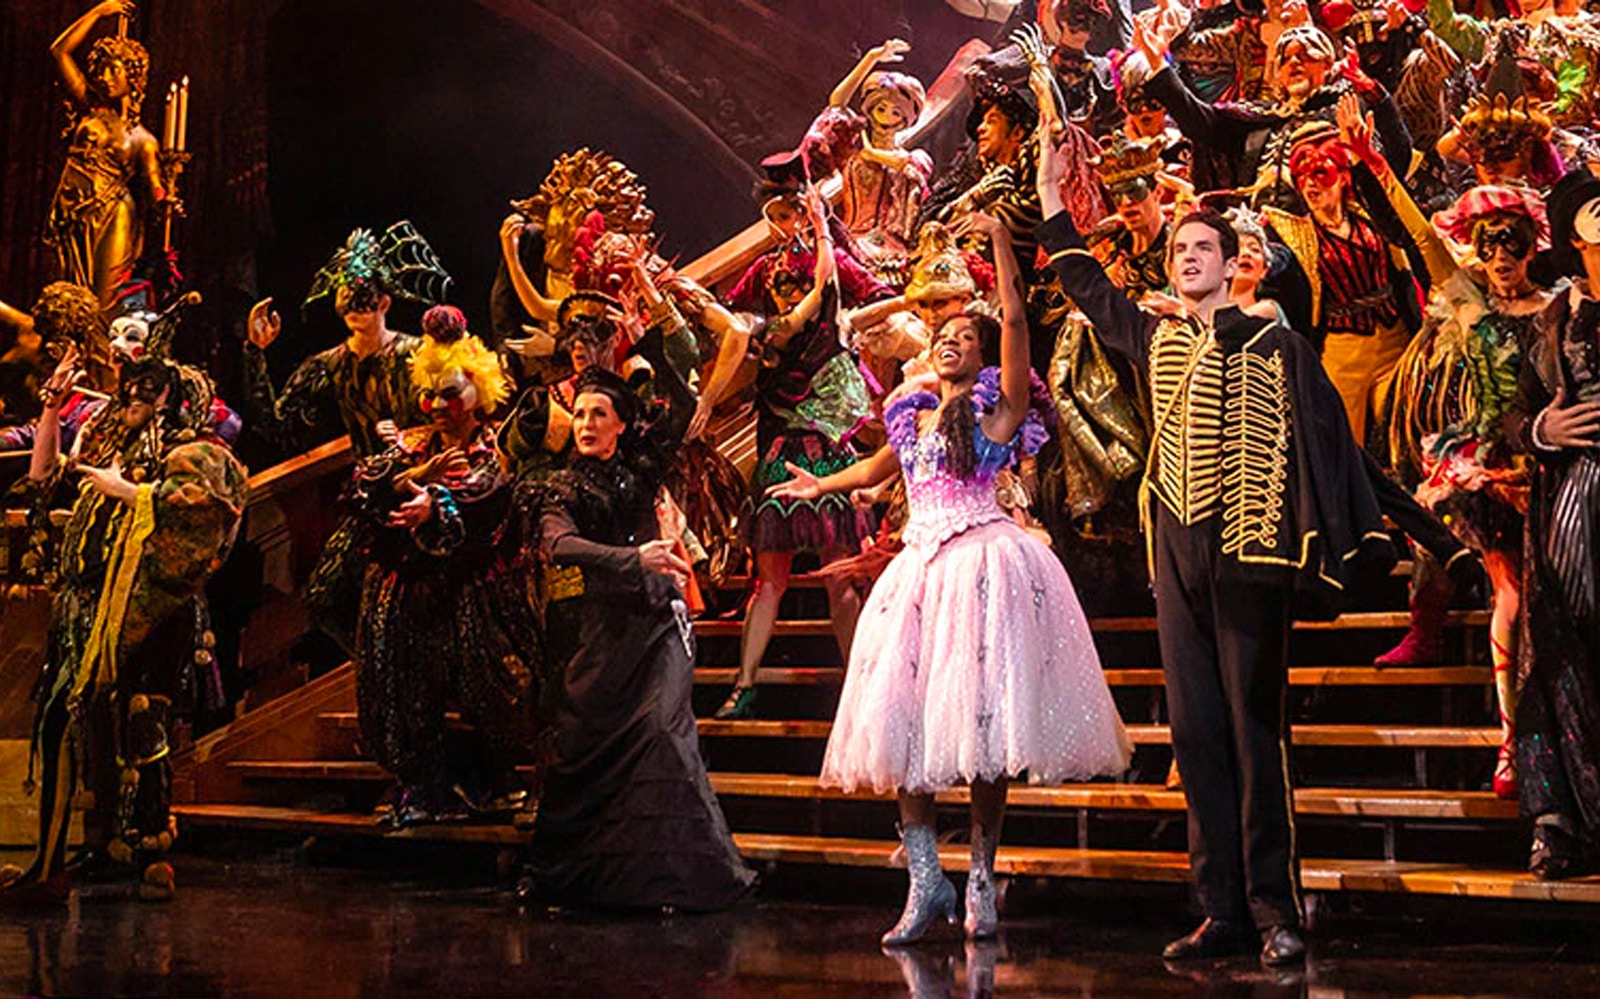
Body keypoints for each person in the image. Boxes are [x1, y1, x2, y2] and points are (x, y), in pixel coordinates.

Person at [1034, 125, 1395, 964]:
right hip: (1177, 554)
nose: (1188, 256)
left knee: (1252, 732)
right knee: (1196, 735)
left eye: (1205, 247)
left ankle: (1276, 907)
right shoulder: (1156, 336)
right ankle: (1221, 907)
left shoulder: (1275, 342)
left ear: (1235, 263)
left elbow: (1333, 445)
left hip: (1249, 554)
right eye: (1181, 248)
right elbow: (1085, 282)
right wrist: (1054, 201)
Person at [769, 209, 1130, 945]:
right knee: (900, 723)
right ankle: (926, 877)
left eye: (966, 336)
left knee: (984, 730)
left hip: (981, 563)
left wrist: (1000, 246)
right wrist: (823, 486)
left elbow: (1019, 320)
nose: (951, 341)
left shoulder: (1001, 413)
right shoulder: (910, 412)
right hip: (919, 571)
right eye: (943, 336)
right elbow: (881, 466)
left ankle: (983, 875)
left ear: (983, 353)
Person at [1, 328, 246, 906]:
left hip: (149, 604)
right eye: (129, 384)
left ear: (168, 393)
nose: (133, 393)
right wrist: (52, 406)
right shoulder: (104, 433)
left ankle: (152, 849)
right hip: (85, 602)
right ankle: (61, 858)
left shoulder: (188, 448)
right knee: (71, 720)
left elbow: (210, 507)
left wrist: (132, 493)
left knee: (144, 724)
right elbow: (43, 477)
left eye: (148, 386)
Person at [529, 361, 754, 911]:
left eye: (599, 414)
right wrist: (634, 558)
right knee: (582, 745)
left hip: (658, 624)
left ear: (622, 424)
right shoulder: (559, 487)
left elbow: (682, 400)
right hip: (602, 631)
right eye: (579, 413)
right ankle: (588, 878)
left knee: (661, 731)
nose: (585, 423)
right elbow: (558, 545)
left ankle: (681, 879)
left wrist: (658, 313)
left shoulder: (646, 465)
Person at [348, 309, 539, 827]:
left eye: (449, 393)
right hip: (413, 593)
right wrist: (413, 474)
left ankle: (500, 779)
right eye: (429, 393)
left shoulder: (494, 446)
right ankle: (420, 785)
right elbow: (366, 487)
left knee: (489, 681)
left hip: (474, 591)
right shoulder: (411, 444)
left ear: (479, 390)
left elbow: (489, 493)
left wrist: (436, 503)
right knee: (401, 683)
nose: (436, 405)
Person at [715, 187, 874, 721]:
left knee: (839, 578)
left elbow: (827, 286)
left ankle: (855, 683)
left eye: (793, 286)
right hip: (788, 457)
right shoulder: (776, 331)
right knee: (771, 581)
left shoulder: (815, 324)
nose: (787, 294)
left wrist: (822, 228)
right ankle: (745, 681)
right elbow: (815, 293)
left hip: (825, 454)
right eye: (781, 288)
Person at [1504, 170, 1600, 879]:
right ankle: (1560, 820)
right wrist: (1543, 427)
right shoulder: (1549, 319)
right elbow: (1508, 412)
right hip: (1570, 501)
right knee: (1564, 657)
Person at [46, 1, 169, 305]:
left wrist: (164, 196)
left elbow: (155, 185)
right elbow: (59, 51)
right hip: (74, 208)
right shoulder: (90, 106)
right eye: (99, 69)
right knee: (68, 293)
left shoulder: (143, 139)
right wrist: (98, 13)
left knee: (103, 295)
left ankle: (100, 350)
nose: (104, 76)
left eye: (113, 69)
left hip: (113, 211)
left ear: (133, 76)